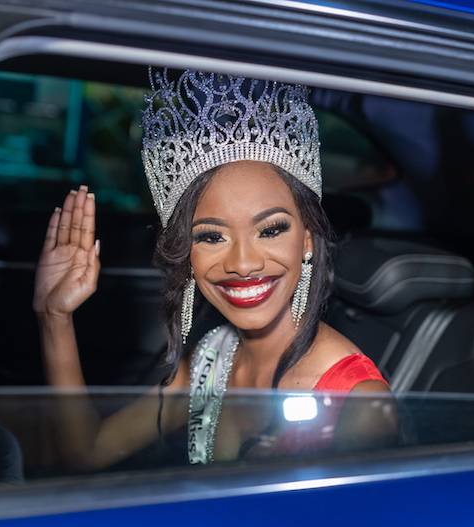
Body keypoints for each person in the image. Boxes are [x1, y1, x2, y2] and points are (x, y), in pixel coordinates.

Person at [33, 70, 392, 471]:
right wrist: (54, 316)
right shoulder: (211, 357)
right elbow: (88, 452)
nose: (242, 263)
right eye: (211, 237)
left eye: (270, 229)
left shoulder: (360, 403)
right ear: (186, 254)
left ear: (307, 239)